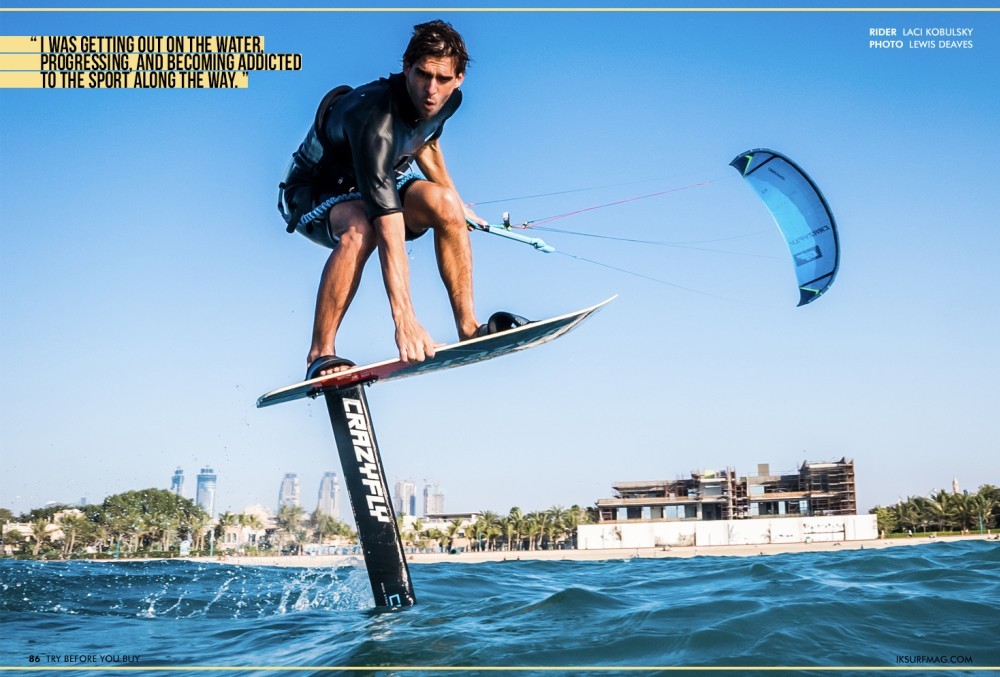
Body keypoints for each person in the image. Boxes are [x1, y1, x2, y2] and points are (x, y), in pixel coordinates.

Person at [278, 20, 512, 379]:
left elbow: (426, 142)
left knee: (446, 204)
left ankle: (469, 327)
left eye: (443, 79)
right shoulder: (374, 120)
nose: (431, 89)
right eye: (423, 75)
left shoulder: (448, 101)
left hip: (373, 178)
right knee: (362, 225)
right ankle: (320, 353)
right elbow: (389, 228)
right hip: (311, 191)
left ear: (459, 78)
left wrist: (456, 204)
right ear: (406, 68)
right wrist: (405, 320)